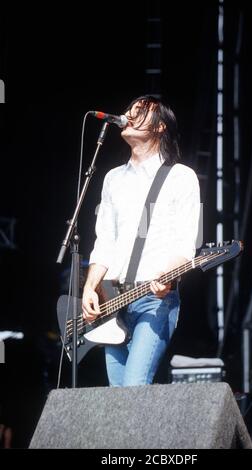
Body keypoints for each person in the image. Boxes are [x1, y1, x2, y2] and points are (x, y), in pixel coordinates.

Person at [82, 95, 201, 386]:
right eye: (128, 110)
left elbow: (186, 244)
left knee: (135, 387)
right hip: (112, 297)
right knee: (117, 396)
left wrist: (168, 275)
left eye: (139, 112)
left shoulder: (181, 177)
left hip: (154, 300)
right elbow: (105, 240)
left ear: (160, 127)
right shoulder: (113, 178)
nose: (127, 115)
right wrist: (89, 286)